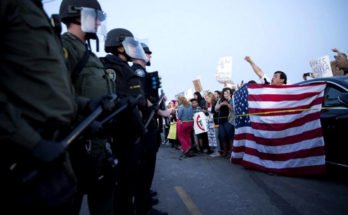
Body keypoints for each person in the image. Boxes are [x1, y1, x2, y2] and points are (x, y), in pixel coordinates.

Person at [0, 0, 78, 214]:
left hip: (52, 149)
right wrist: (30, 141)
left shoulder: (34, 9)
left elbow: (49, 89)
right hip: (23, 153)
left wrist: (86, 106)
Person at [59, 0, 115, 214]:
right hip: (76, 143)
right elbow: (57, 93)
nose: (99, 23)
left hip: (97, 140)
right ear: (78, 15)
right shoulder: (64, 47)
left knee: (103, 198)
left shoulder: (88, 53)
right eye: (95, 17)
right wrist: (86, 106)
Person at [100, 27, 147, 215]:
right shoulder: (112, 68)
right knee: (122, 185)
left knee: (128, 183)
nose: (133, 49)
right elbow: (120, 100)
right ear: (119, 48)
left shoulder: (123, 67)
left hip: (129, 132)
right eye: (129, 45)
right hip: (120, 134)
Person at [131, 42, 169, 215]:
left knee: (147, 165)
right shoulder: (138, 71)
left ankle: (143, 196)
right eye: (147, 53)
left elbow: (148, 95)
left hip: (147, 123)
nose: (150, 56)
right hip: (143, 125)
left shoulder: (143, 73)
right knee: (145, 166)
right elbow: (140, 98)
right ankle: (142, 205)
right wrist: (161, 111)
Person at [215, 87, 235, 158]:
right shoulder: (220, 100)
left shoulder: (232, 100)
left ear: (230, 93)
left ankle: (231, 152)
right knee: (222, 137)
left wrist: (227, 104)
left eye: (227, 93)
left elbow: (233, 109)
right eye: (225, 93)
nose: (226, 94)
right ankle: (225, 151)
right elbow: (216, 109)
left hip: (229, 121)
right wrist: (221, 104)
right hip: (221, 121)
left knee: (230, 137)